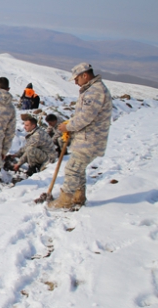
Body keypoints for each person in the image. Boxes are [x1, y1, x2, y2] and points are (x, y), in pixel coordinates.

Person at [49, 63, 112, 210]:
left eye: (77, 79)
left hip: (90, 139)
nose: (76, 82)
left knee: (72, 169)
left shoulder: (95, 92)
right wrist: (70, 124)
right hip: (86, 137)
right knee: (78, 169)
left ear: (85, 75)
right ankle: (79, 197)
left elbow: (86, 117)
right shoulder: (91, 90)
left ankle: (65, 201)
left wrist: (68, 126)